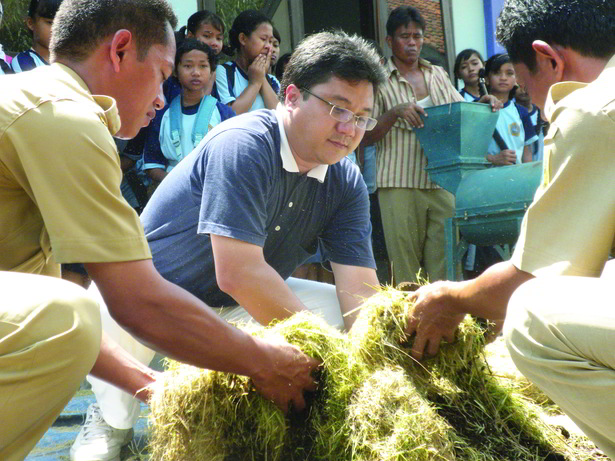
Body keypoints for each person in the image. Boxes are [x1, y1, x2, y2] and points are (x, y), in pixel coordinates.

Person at [0, 1, 321, 460]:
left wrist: (160, 390)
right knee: (71, 310)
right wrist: (264, 363)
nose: (159, 98)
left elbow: (52, 323)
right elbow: (135, 301)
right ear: (121, 50)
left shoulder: (40, 105)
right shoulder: (65, 117)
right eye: (162, 75)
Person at [74, 30, 386, 459]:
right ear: (291, 96)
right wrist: (323, 359)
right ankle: (110, 420)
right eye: (338, 108)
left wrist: (375, 374)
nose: (350, 128)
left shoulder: (345, 181)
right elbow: (238, 272)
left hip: (236, 305)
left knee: (339, 311)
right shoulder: (244, 143)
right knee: (109, 309)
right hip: (153, 296)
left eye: (363, 116)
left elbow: (361, 296)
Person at [405, 0, 615, 455]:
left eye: (526, 85)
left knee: (529, 315)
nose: (537, 107)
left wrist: (450, 296)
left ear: (549, 59)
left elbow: (539, 277)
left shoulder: (591, 108)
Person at [361, 5, 500, 286]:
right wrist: (394, 112)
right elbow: (364, 135)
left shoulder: (437, 73)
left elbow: (458, 115)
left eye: (417, 36)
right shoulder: (377, 80)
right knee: (405, 268)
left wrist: (481, 105)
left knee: (446, 263)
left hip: (441, 180)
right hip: (398, 181)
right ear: (390, 41)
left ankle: (445, 327)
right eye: (404, 36)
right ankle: (408, 328)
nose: (412, 43)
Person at [143, 39, 234, 187]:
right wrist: (179, 184)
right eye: (188, 66)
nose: (196, 72)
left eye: (203, 66)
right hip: (171, 190)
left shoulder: (225, 114)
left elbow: (231, 161)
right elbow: (152, 165)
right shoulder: (161, 116)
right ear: (175, 72)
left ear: (212, 72)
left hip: (212, 188)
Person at [215, 9, 280, 114]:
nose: (269, 47)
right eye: (263, 39)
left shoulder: (272, 80)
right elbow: (230, 115)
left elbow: (281, 116)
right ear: (243, 39)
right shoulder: (224, 72)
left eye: (271, 41)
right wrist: (254, 84)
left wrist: (262, 78)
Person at [484, 53, 538, 165]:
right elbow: (466, 151)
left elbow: (526, 152)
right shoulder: (476, 108)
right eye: (497, 73)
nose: (503, 78)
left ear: (516, 80)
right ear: (487, 79)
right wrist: (493, 159)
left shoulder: (521, 112)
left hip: (515, 179)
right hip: (486, 178)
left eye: (509, 73)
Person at [167, 9, 225, 103]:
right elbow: (193, 107)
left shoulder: (220, 70)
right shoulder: (173, 70)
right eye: (207, 36)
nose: (215, 43)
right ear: (190, 36)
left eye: (219, 38)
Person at [10, 0, 61, 72]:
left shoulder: (73, 60)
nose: (57, 29)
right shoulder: (23, 62)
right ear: (30, 23)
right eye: (50, 22)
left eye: (62, 23)